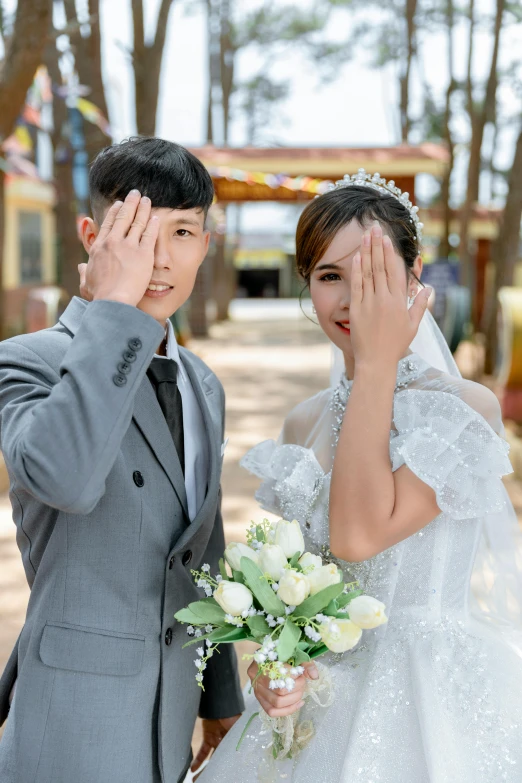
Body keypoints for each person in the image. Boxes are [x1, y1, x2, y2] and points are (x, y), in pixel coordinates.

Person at [198, 172, 522, 782]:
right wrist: (273, 666)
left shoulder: (461, 410)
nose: (351, 300)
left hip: (430, 705)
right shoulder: (304, 422)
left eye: (373, 275)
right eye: (329, 277)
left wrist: (375, 366)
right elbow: (306, 582)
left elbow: (357, 535)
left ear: (414, 275)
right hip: (319, 708)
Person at [0, 137, 244, 783]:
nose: (160, 259)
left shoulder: (203, 383)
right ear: (92, 236)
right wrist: (111, 307)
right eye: (135, 231)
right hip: (76, 716)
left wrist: (219, 696)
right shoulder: (27, 360)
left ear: (205, 244)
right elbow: (67, 478)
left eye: (183, 231)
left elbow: (204, 550)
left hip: (169, 718)